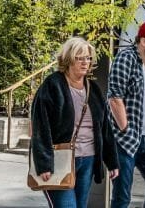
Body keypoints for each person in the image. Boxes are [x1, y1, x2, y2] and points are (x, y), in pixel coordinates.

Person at [30, 36, 119, 208]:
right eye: (80, 57)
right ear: (69, 59)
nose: (85, 62)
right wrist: (44, 163)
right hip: (59, 161)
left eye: (88, 57)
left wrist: (112, 161)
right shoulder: (53, 85)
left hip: (88, 160)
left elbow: (105, 128)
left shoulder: (93, 89)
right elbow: (40, 127)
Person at [107, 20, 145, 208]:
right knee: (122, 196)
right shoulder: (125, 59)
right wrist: (125, 129)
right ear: (143, 41)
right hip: (125, 141)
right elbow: (115, 97)